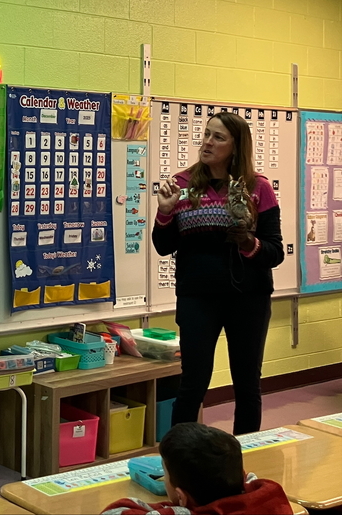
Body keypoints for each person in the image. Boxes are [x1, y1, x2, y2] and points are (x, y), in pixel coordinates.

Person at [153, 112, 283, 435]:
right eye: (206, 134)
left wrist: (247, 242)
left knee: (247, 384)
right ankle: (178, 462)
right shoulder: (182, 185)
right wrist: (166, 211)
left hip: (248, 298)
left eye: (218, 137)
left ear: (236, 147)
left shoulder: (259, 188)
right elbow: (162, 245)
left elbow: (274, 252)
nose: (208, 143)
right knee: (192, 383)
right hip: (198, 296)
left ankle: (245, 458)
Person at [101, 423, 293, 514]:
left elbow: (116, 512)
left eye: (165, 473)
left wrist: (171, 505)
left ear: (181, 497)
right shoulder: (269, 497)